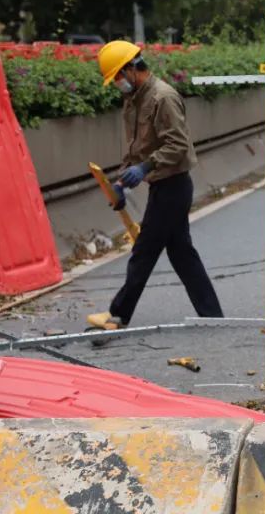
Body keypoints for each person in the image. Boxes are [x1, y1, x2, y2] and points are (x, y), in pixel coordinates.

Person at [86, 41, 224, 330]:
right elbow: (135, 148)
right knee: (182, 253)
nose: (118, 84)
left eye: (118, 77)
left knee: (144, 251)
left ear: (130, 69)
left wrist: (145, 167)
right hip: (161, 186)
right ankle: (213, 315)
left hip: (174, 186)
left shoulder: (164, 98)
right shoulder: (133, 101)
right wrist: (121, 182)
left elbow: (178, 145)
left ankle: (118, 315)